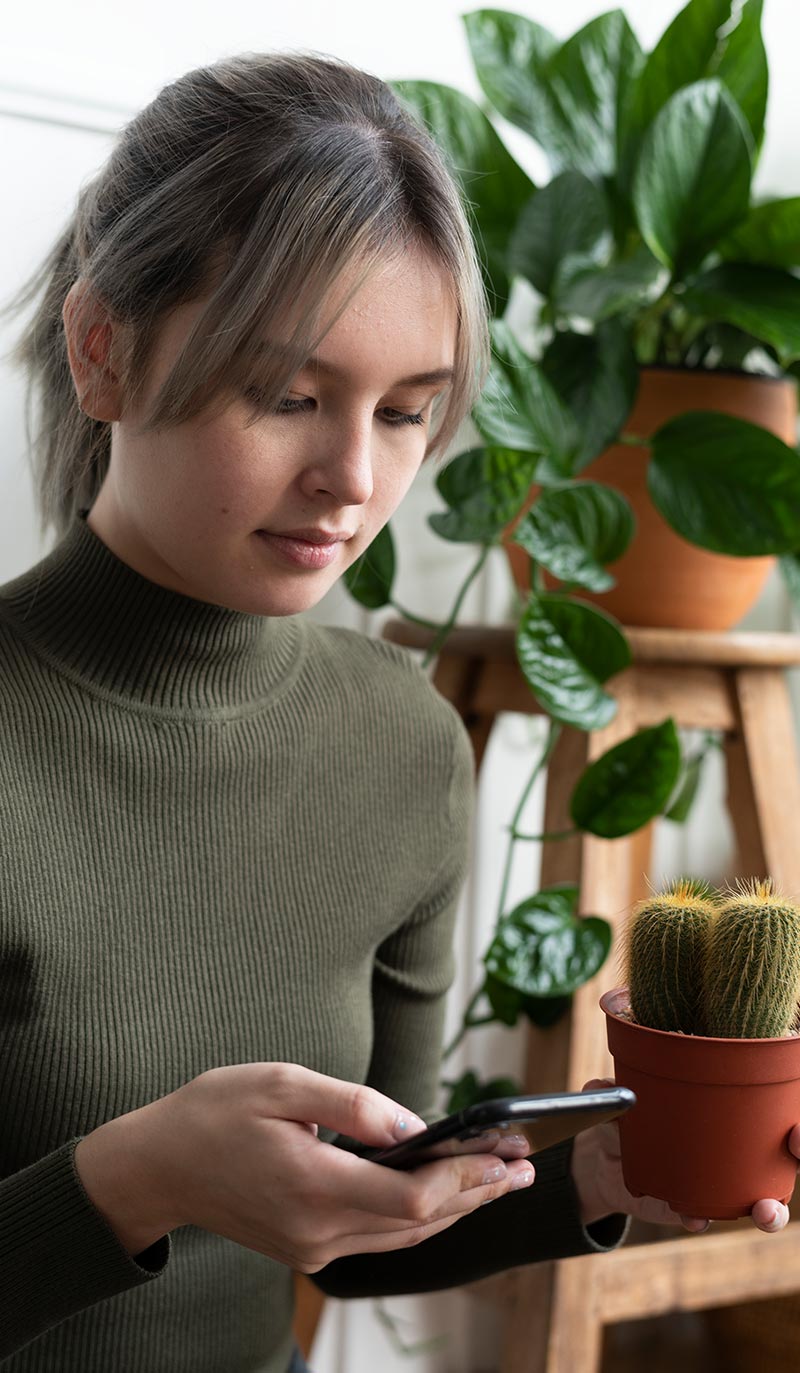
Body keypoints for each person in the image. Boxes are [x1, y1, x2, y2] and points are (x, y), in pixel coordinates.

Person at [0, 50, 796, 1373]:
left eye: (410, 412)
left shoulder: (402, 748)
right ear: (105, 354)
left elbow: (378, 1212)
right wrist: (135, 1178)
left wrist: (609, 1174)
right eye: (292, 397)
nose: (354, 478)